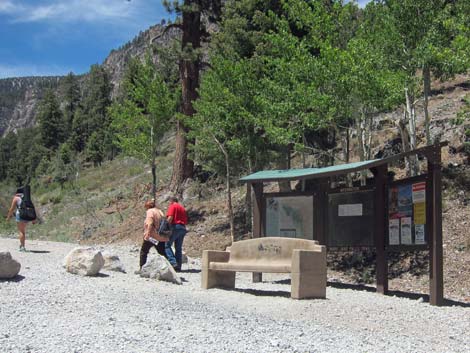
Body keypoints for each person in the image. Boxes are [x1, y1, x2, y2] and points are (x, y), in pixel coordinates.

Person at [137, 200, 169, 273]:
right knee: (162, 253)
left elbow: (150, 223)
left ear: (148, 206)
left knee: (144, 252)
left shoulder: (150, 212)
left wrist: (148, 233)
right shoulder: (160, 211)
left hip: (152, 236)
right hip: (161, 236)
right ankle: (167, 268)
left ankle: (142, 268)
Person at [6, 187, 35, 252]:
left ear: (17, 193)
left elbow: (12, 209)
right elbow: (32, 208)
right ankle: (22, 245)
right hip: (27, 216)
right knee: (23, 231)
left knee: (21, 231)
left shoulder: (16, 198)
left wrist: (8, 217)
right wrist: (33, 219)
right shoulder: (27, 198)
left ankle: (22, 247)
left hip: (20, 215)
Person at [165, 196, 188, 272]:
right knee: (178, 248)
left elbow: (170, 217)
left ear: (171, 201)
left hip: (175, 227)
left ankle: (173, 262)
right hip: (183, 228)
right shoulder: (182, 208)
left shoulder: (173, 206)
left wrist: (165, 226)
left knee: (166, 245)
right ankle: (178, 266)